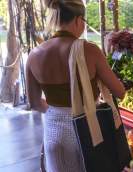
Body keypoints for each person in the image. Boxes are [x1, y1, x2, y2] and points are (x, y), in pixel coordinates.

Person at [26, 0, 125, 171]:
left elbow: (34, 103)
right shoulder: (90, 50)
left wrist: (58, 112)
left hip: (53, 135)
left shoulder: (34, 55)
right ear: (79, 20)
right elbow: (119, 92)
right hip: (88, 133)